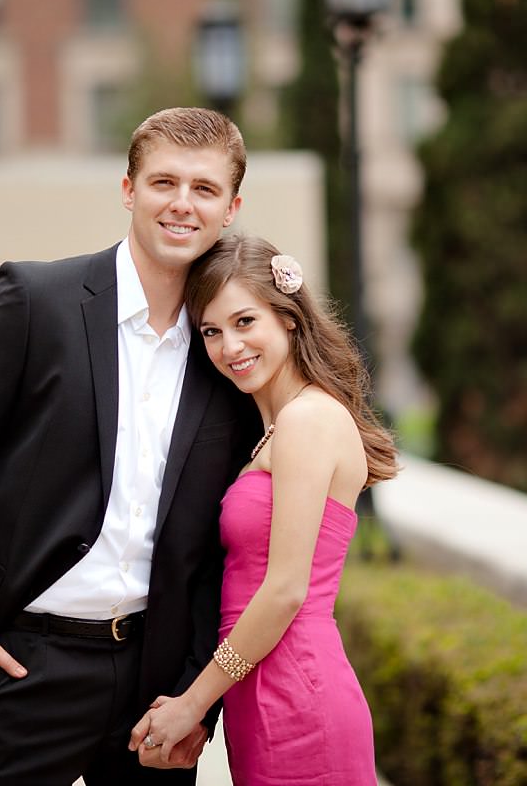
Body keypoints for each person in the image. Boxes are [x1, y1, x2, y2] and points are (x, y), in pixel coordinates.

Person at [0, 107, 261, 784]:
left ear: (231, 208)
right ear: (129, 189)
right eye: (164, 183)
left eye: (205, 189)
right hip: (22, 666)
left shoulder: (228, 353)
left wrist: (195, 698)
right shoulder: (36, 302)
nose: (182, 204)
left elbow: (216, 544)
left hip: (155, 687)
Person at [128, 234, 399, 784]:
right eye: (211, 331)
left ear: (289, 319)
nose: (230, 347)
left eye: (245, 322)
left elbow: (284, 590)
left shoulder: (307, 421)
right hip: (261, 695)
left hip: (300, 695)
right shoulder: (272, 430)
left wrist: (191, 704)